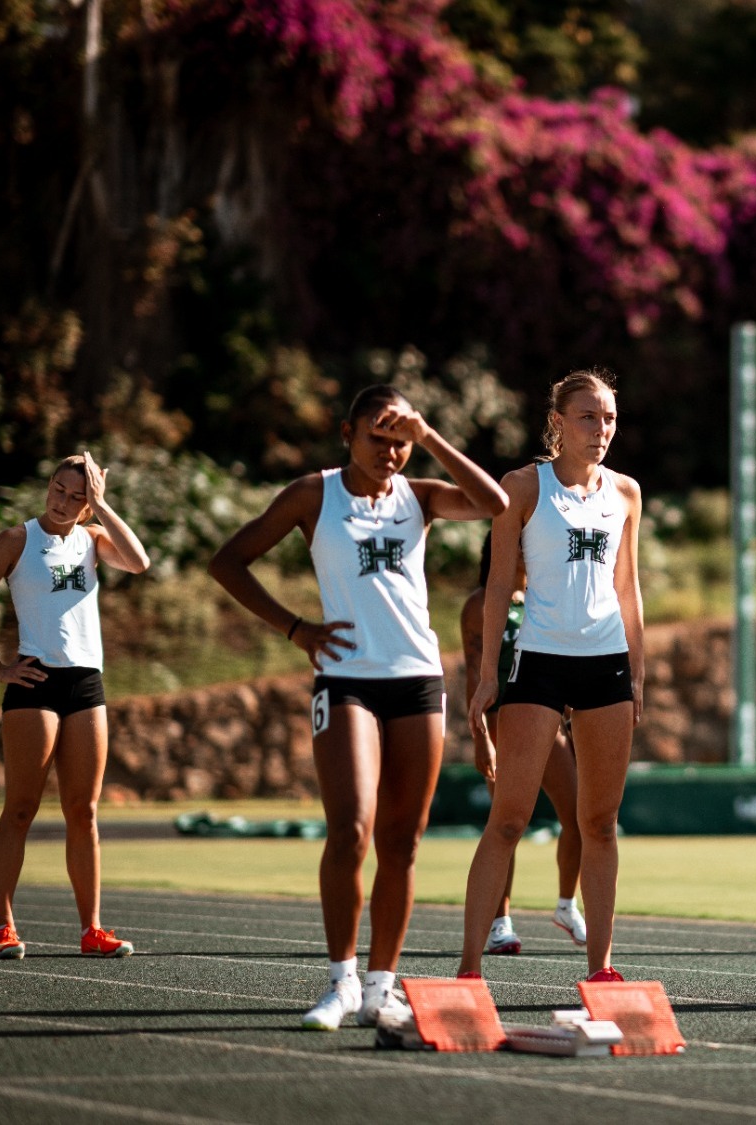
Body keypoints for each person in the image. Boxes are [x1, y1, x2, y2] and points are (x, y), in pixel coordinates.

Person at [208, 385, 506, 1030]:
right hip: (345, 678)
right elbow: (227, 561)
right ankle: (341, 982)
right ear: (347, 433)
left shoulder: (419, 495)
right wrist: (295, 628)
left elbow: (496, 503)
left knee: (403, 841)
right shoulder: (312, 494)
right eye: (378, 436)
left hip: (418, 680)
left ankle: (380, 987)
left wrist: (430, 438)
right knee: (352, 828)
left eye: (400, 439)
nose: (390, 451)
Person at [456, 370, 643, 985]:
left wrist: (636, 673)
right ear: (557, 421)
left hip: (605, 665)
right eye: (588, 417)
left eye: (609, 418)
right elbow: (495, 592)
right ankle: (467, 972)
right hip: (538, 663)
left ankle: (602, 970)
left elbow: (627, 588)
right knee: (509, 818)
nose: (602, 430)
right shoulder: (522, 488)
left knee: (600, 823)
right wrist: (487, 678)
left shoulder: (625, 493)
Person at [0, 453, 151, 960]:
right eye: (59, 490)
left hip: (86, 685)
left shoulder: (91, 540)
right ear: (48, 486)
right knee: (20, 809)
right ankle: (4, 927)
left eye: (77, 496)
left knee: (83, 812)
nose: (64, 502)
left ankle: (92, 930)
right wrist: (0, 669)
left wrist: (104, 506)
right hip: (34, 686)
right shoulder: (15, 540)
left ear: (88, 505)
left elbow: (140, 561)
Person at [461, 549, 587, 955]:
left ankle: (567, 905)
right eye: (520, 545)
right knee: (507, 823)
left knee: (581, 816)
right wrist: (481, 736)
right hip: (503, 718)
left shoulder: (540, 595)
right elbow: (474, 669)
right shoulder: (482, 603)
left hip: (546, 716)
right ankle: (500, 921)